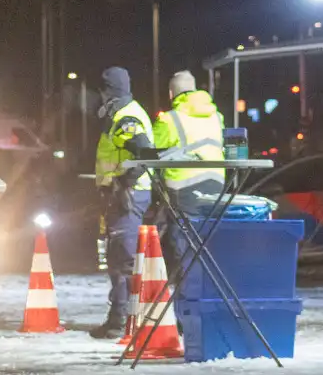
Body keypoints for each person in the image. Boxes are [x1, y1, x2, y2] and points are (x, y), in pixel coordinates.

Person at [90, 66, 155, 339]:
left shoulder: (125, 117)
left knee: (123, 260)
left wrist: (123, 183)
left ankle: (122, 321)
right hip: (122, 196)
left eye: (102, 92)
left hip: (128, 197)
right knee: (117, 257)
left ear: (108, 92)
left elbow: (145, 153)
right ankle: (120, 317)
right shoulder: (123, 114)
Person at [153, 70, 226, 272]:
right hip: (217, 183)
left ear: (171, 94)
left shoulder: (170, 119)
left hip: (184, 186)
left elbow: (153, 152)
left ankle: (189, 288)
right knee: (207, 236)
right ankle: (208, 285)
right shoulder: (216, 116)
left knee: (183, 239)